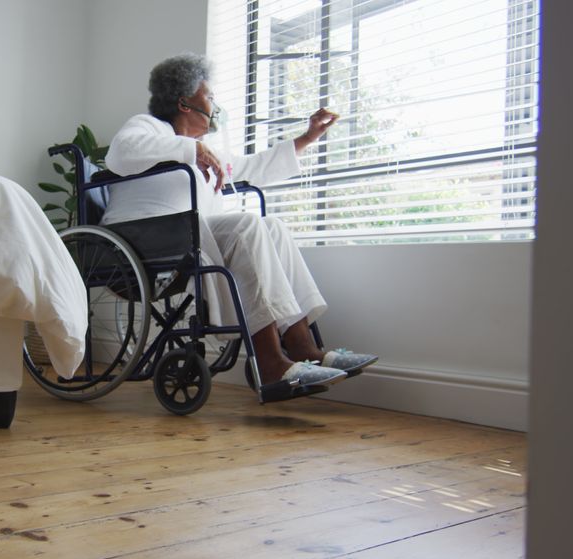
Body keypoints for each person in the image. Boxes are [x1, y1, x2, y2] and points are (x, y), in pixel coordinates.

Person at [102, 53, 378, 388]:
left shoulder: (206, 148)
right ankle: (270, 361)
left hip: (187, 234)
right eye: (210, 97)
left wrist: (306, 138)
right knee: (247, 225)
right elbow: (122, 150)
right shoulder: (148, 127)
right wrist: (192, 151)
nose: (216, 106)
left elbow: (253, 167)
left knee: (271, 226)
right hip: (141, 236)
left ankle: (303, 346)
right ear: (185, 103)